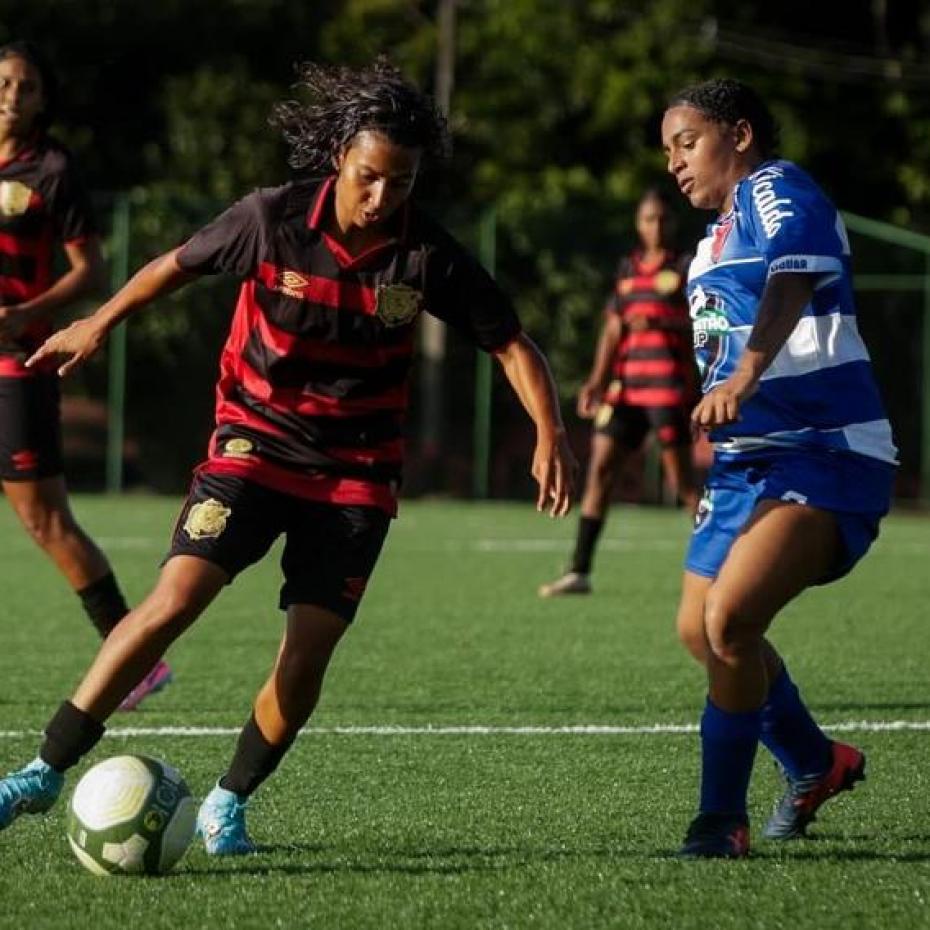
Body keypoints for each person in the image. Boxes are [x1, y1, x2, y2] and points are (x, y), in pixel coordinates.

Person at [0, 59, 576, 854]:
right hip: (254, 442)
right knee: (174, 600)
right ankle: (42, 770)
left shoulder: (426, 255)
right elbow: (174, 267)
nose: (382, 196)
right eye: (370, 176)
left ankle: (228, 800)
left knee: (307, 650)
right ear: (341, 157)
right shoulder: (271, 219)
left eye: (402, 182)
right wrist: (98, 324)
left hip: (357, 473)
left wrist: (550, 431)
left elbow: (511, 343)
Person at [661, 78, 897, 858]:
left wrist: (745, 375)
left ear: (739, 134)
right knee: (700, 630)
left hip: (824, 449)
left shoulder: (774, 186)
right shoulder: (710, 241)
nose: (675, 162)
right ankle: (814, 761)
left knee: (729, 621)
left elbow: (793, 276)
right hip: (744, 466)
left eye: (687, 142)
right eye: (667, 151)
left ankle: (718, 823)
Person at [0, 41, 170, 710]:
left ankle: (136, 661)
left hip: (19, 362)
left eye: (26, 86)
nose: (13, 95)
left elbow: (92, 272)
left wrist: (26, 313)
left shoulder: (52, 170)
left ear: (42, 99)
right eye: (4, 82)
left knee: (46, 520)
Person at [539, 189, 698, 597]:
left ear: (672, 222)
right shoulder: (628, 267)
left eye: (662, 218)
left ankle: (719, 568)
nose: (655, 226)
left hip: (666, 390)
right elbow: (613, 328)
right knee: (601, 470)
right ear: (638, 223)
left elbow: (704, 322)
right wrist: (596, 379)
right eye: (648, 219)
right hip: (624, 390)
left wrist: (663, 322)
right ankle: (579, 570)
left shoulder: (686, 266)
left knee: (683, 484)